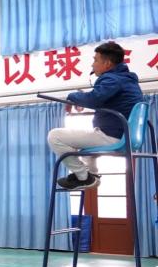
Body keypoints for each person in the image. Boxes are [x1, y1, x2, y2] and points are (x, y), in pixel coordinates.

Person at [47, 41, 144, 191]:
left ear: (107, 63)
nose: (92, 65)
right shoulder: (127, 80)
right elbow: (97, 99)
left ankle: (84, 176)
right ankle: (90, 176)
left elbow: (94, 99)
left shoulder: (112, 79)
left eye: (95, 60)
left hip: (113, 137)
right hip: (127, 136)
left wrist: (72, 96)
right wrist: (84, 99)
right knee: (87, 146)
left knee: (54, 136)